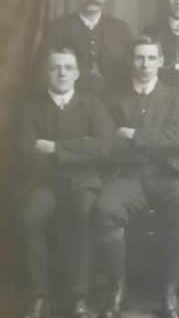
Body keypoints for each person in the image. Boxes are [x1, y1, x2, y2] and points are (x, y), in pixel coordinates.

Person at [94, 37, 179, 318]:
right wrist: (150, 141)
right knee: (106, 209)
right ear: (131, 61)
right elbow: (107, 143)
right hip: (127, 174)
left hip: (167, 173)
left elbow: (177, 140)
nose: (145, 65)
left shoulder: (177, 96)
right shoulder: (113, 98)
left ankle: (170, 290)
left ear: (161, 62)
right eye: (139, 58)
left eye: (151, 58)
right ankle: (119, 288)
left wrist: (134, 135)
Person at [18, 46, 113, 318]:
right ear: (46, 72)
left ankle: (79, 297)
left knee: (84, 214)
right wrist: (80, 148)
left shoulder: (92, 105)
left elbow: (105, 146)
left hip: (82, 182)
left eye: (68, 67)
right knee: (29, 217)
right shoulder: (31, 107)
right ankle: (40, 295)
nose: (62, 73)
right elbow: (25, 151)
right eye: (55, 67)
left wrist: (57, 148)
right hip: (44, 182)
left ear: (78, 73)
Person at [35, 0, 133, 95]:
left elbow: (131, 72)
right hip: (72, 106)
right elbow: (41, 73)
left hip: (114, 106)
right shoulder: (57, 28)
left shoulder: (121, 29)